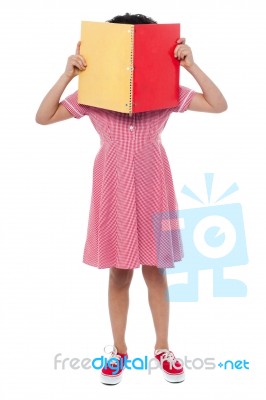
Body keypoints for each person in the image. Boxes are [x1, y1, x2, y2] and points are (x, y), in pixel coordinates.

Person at [35, 12, 227, 385]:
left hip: (155, 184)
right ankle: (119, 349)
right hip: (113, 186)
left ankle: (163, 347)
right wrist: (69, 75)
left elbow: (218, 105)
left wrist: (191, 65)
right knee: (119, 273)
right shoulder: (95, 93)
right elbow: (43, 117)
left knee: (157, 271)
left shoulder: (164, 92)